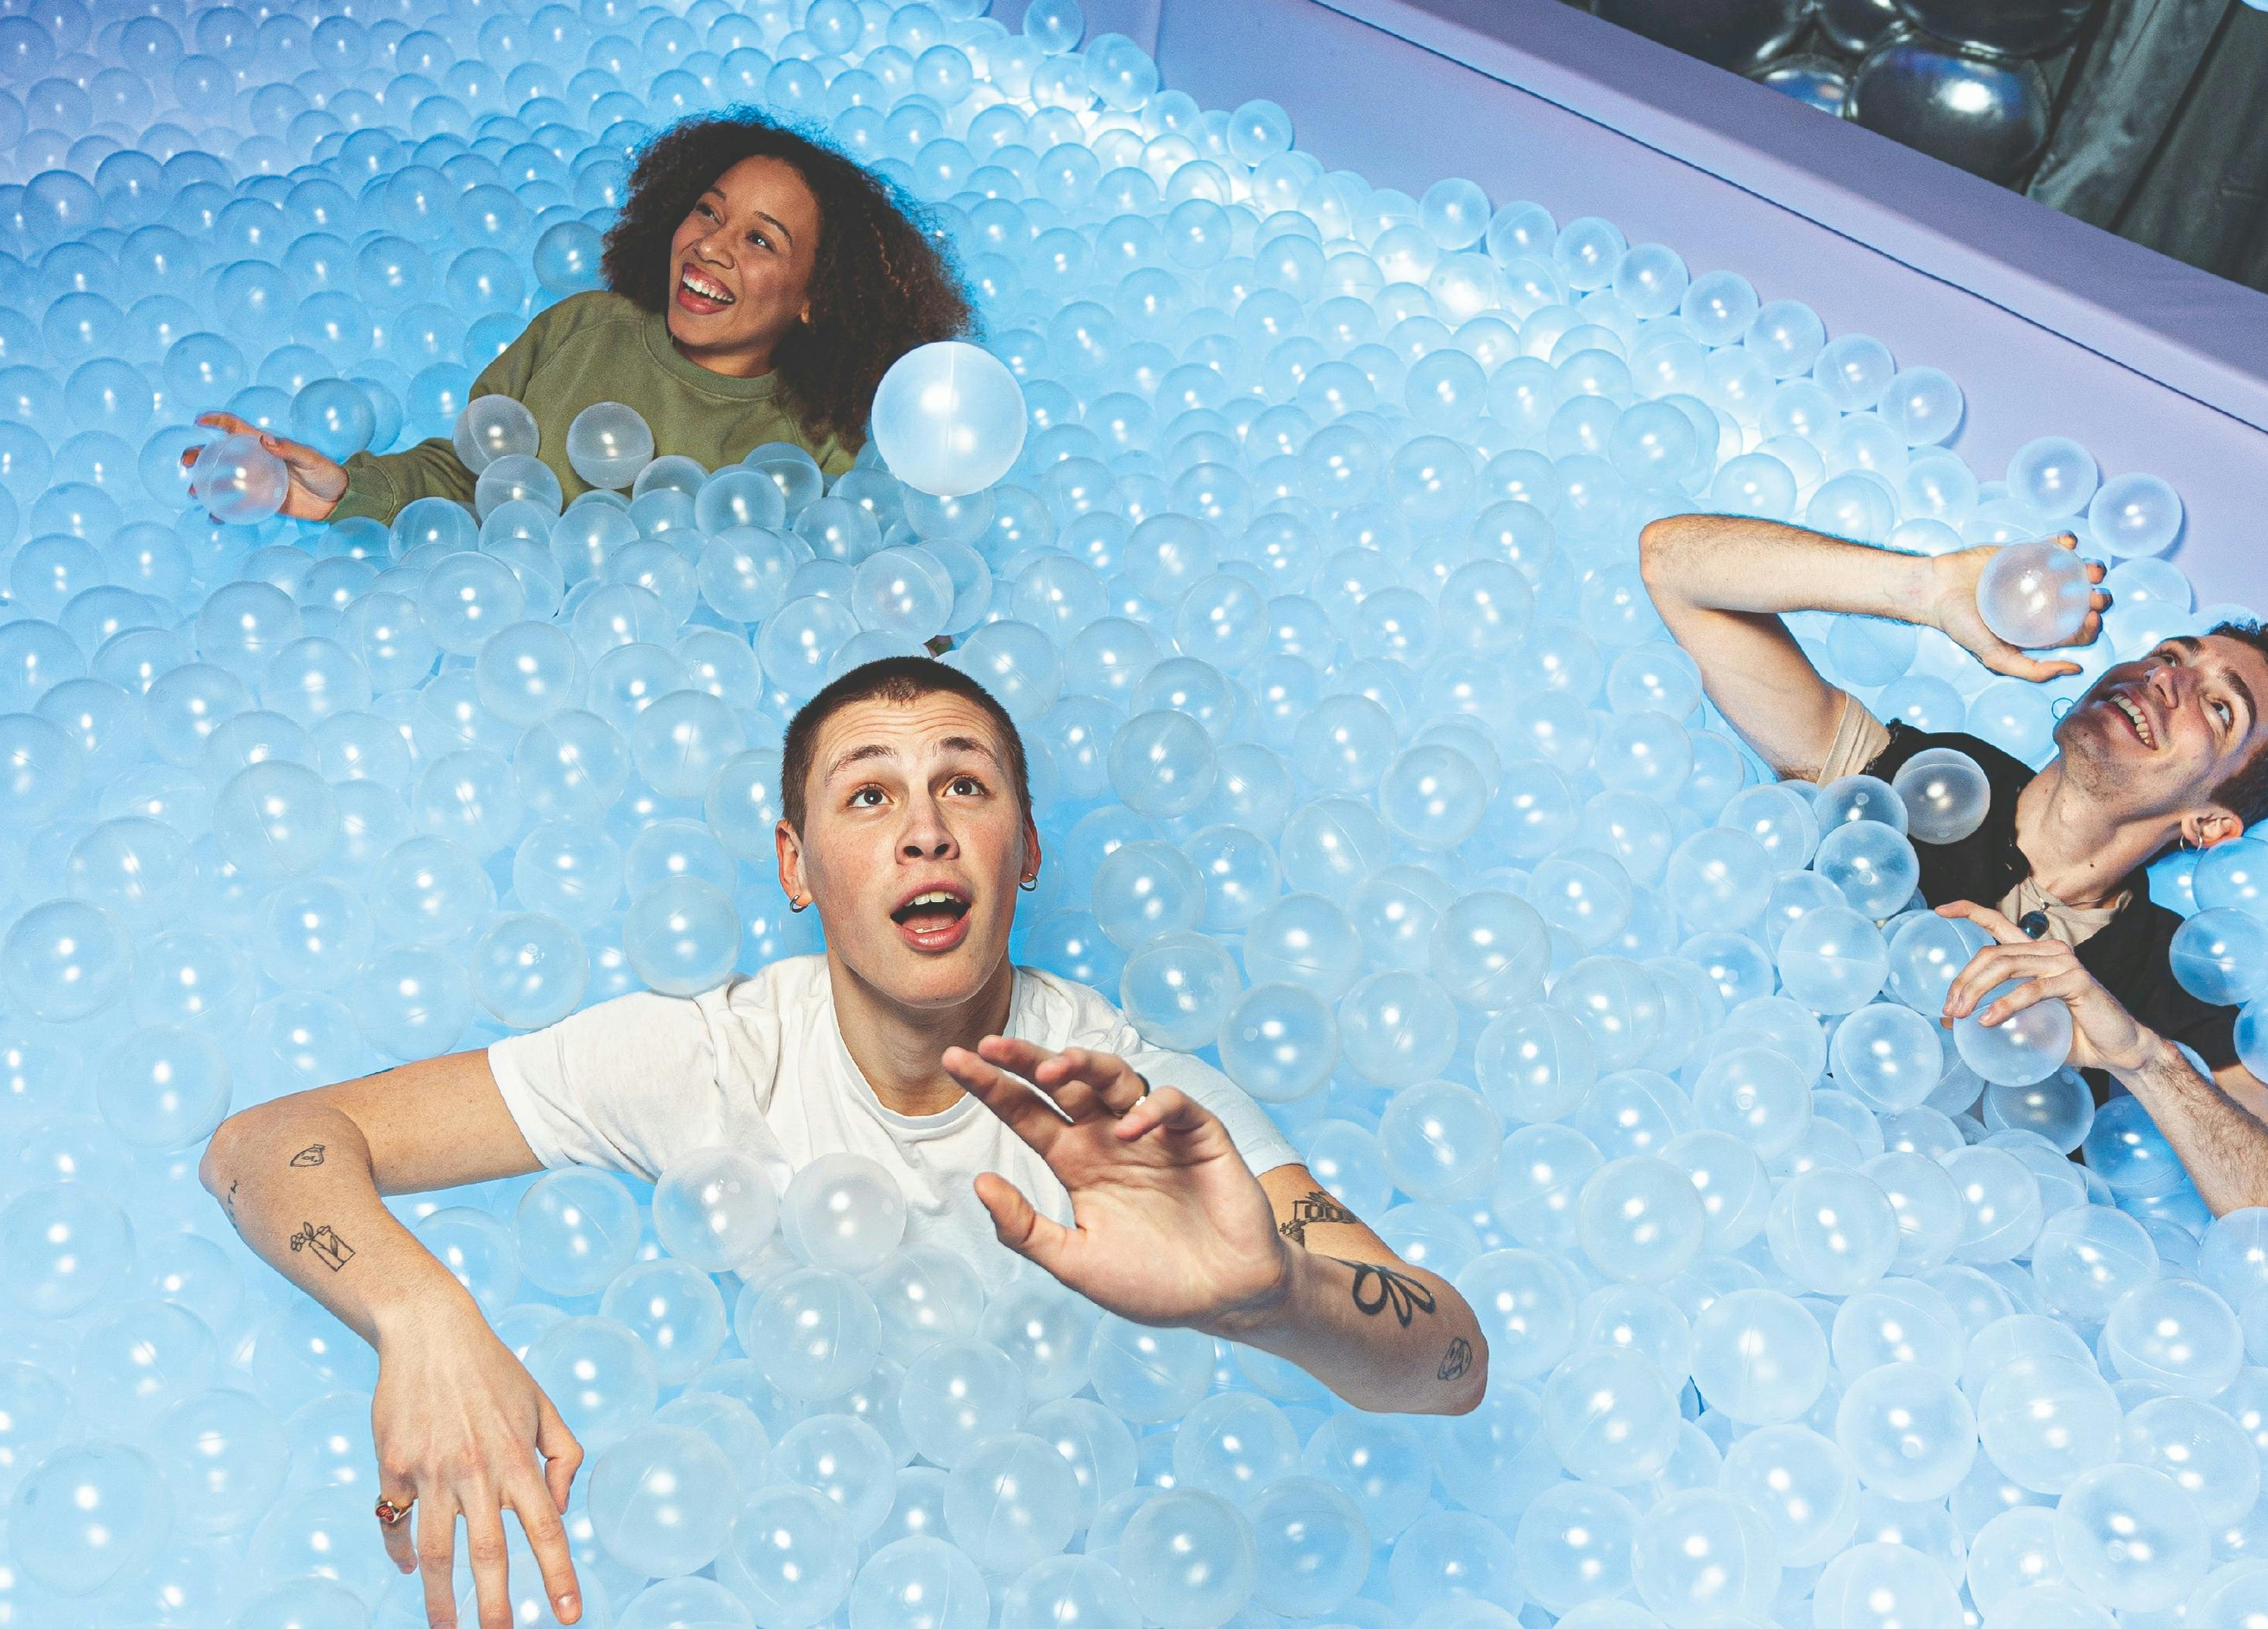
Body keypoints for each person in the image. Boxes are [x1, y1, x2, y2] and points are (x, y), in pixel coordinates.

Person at [201, 657, 1484, 1629]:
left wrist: (1270, 1298)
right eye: (867, 793)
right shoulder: (703, 1059)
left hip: (1068, 1527)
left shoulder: (1133, 1104)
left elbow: (1450, 1362)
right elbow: (264, 1143)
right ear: (797, 863)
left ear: (1024, 850)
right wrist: (422, 1315)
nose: (923, 828)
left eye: (965, 786)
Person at [1638, 512, 2268, 1271]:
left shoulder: (2171, 985)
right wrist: (1922, 587)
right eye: (2168, 655)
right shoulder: (1919, 781)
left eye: (2217, 708)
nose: (2166, 679)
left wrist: (2140, 1059)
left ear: (2209, 821)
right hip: (1711, 1160)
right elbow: (1672, 567)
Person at [181, 110, 974, 522]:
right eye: (706, 211)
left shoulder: (824, 440)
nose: (711, 247)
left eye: (760, 239)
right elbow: (463, 476)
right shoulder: (580, 329)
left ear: (816, 297)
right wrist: (333, 488)